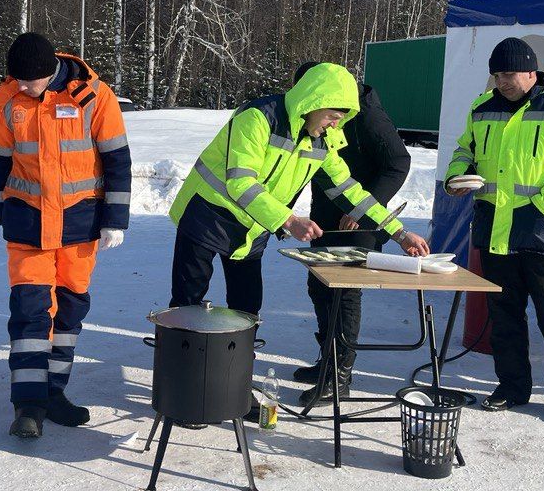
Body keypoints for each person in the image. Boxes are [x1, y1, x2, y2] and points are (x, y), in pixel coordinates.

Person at [168, 62, 430, 404]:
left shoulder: (323, 140)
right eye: (334, 114)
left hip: (254, 226)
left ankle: (233, 390)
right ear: (313, 100)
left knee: (246, 310)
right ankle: (183, 393)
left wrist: (399, 233)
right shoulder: (258, 118)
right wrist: (289, 220)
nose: (337, 123)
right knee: (188, 303)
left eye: (342, 116)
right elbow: (240, 180)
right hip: (207, 214)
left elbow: (351, 189)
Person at [444, 37, 544, 428]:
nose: (502, 82)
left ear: (531, 72)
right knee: (504, 316)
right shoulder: (482, 109)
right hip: (496, 232)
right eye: (496, 75)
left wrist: (543, 206)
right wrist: (455, 177)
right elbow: (464, 150)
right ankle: (512, 387)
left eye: (509, 74)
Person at [0, 33, 131, 439]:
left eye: (28, 82)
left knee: (68, 313)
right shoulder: (8, 99)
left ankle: (54, 393)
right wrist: (4, 212)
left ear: (47, 72)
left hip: (79, 224)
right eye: (16, 80)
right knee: (30, 311)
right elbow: (1, 161)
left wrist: (115, 218)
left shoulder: (92, 97)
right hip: (27, 225)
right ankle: (28, 405)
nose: (21, 87)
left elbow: (117, 157)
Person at [291, 61, 411, 406]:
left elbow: (397, 164)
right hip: (328, 212)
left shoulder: (368, 115)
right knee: (319, 286)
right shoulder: (316, 113)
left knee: (344, 294)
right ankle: (327, 361)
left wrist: (361, 209)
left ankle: (340, 377)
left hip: (363, 217)